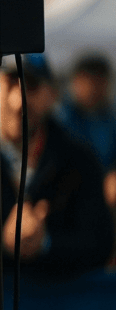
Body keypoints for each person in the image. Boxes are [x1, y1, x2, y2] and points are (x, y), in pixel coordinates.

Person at [0, 54, 114, 279]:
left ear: (51, 95)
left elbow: (100, 244)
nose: (18, 100)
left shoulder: (79, 160)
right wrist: (2, 242)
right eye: (10, 83)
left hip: (57, 306)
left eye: (31, 86)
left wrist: (46, 244)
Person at [54, 52, 116, 210]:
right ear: (76, 82)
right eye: (90, 82)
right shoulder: (61, 120)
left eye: (100, 82)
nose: (95, 89)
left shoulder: (109, 118)